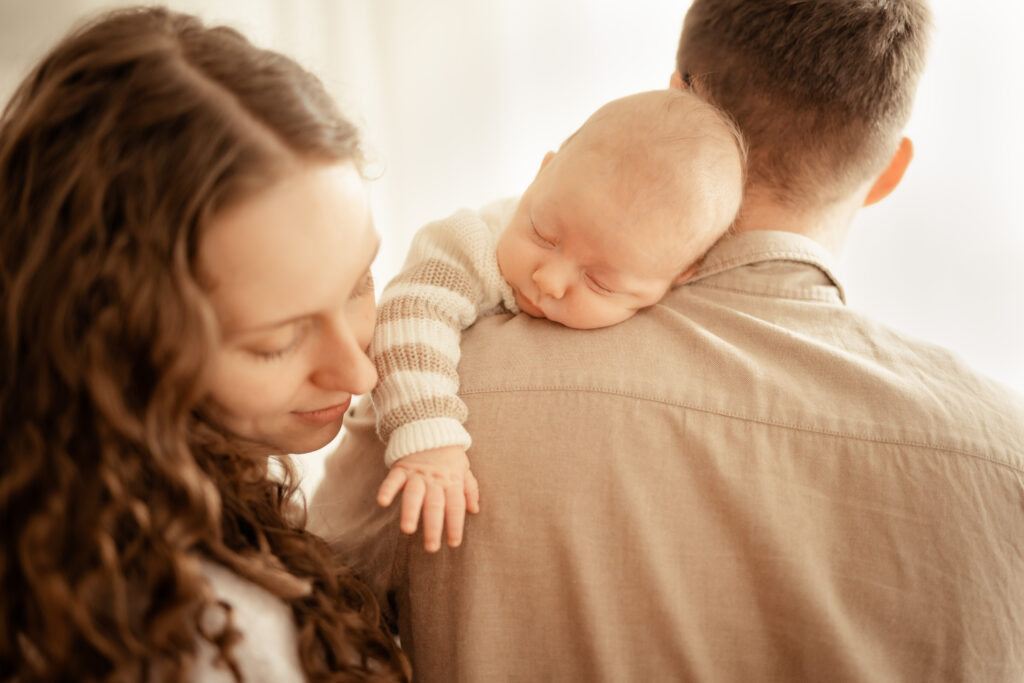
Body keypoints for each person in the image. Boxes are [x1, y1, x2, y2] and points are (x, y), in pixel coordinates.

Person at [311, 0, 1024, 680]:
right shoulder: (1003, 456)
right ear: (888, 171)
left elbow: (309, 610)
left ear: (679, 93)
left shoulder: (432, 383)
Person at [0, 7, 409, 681]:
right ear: (114, 343)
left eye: (359, 282)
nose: (361, 372)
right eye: (275, 343)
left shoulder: (204, 499)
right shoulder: (199, 635)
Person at [370, 88, 744, 552]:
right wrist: (428, 439)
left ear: (677, 278)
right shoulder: (469, 245)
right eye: (543, 235)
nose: (548, 280)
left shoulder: (688, 308)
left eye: (600, 282)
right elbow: (410, 315)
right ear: (541, 174)